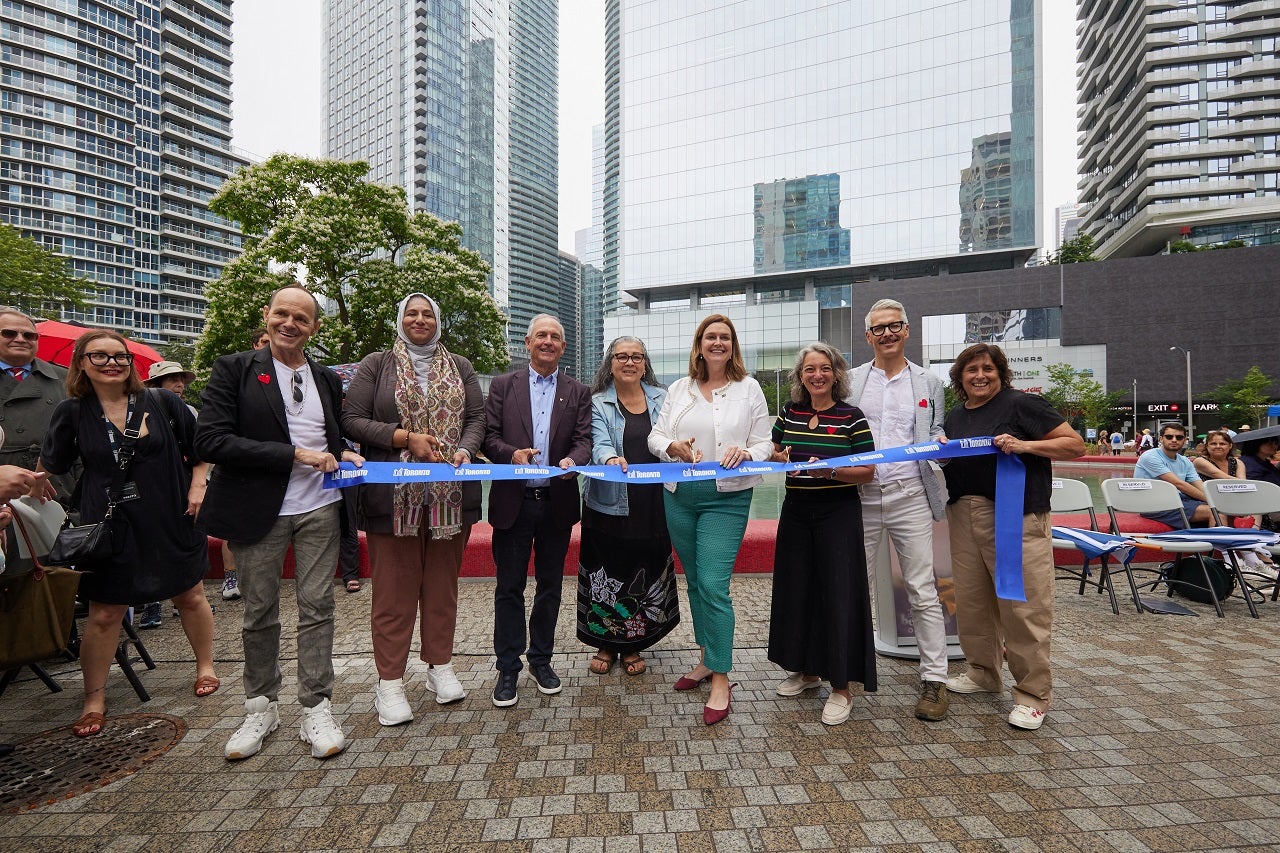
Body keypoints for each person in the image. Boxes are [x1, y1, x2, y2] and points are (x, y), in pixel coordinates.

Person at [196, 284, 363, 761]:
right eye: (282, 314)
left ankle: (316, 704)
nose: (290, 324)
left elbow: (333, 432)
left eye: (302, 318)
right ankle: (261, 705)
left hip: (319, 509)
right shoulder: (235, 369)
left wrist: (344, 449)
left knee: (317, 606)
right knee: (259, 612)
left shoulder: (327, 378)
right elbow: (209, 440)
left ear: (314, 327)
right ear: (267, 316)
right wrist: (293, 455)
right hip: (257, 510)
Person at [34, 330, 217, 737]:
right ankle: (94, 699)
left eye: (119, 356)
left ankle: (205, 665)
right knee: (104, 613)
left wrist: (198, 484)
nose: (112, 363)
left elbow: (201, 449)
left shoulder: (163, 401)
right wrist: (34, 484)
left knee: (189, 594)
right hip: (111, 523)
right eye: (99, 357)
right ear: (81, 362)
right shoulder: (72, 411)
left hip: (171, 513)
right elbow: (53, 463)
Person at [342, 293, 485, 723]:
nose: (420, 319)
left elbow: (476, 418)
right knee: (394, 594)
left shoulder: (460, 365)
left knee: (442, 589)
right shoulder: (377, 364)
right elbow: (351, 418)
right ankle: (389, 683)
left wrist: (464, 449)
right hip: (393, 499)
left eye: (428, 313)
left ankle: (439, 666)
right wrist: (405, 438)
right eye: (412, 313)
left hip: (450, 499)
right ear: (400, 319)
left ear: (437, 321)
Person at [941, 343, 1084, 731]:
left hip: (1015, 515)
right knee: (971, 602)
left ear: (1001, 372)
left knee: (1023, 605)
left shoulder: (1022, 405)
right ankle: (983, 673)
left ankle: (1033, 694)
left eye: (987, 368)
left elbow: (1074, 444)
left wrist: (1025, 445)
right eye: (971, 370)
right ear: (960, 378)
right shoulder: (955, 417)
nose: (979, 376)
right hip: (963, 513)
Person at [648, 314, 773, 725]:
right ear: (699, 344)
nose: (717, 343)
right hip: (679, 497)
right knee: (697, 583)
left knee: (715, 585)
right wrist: (674, 447)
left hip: (727, 499)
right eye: (710, 337)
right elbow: (656, 435)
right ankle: (705, 658)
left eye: (724, 337)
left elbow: (765, 442)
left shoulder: (749, 387)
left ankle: (722, 676)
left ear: (732, 345)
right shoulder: (680, 389)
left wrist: (747, 452)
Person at [845, 299, 951, 721]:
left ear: (907, 330)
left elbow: (937, 430)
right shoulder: (850, 381)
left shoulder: (929, 382)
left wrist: (941, 445)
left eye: (895, 326)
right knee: (855, 586)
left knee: (923, 588)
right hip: (860, 495)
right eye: (878, 329)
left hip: (911, 495)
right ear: (867, 336)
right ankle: (845, 672)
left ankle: (935, 680)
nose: (887, 334)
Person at [483, 314, 591, 708]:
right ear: (527, 342)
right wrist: (510, 454)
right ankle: (507, 667)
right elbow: (489, 437)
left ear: (563, 347)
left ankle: (541, 660)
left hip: (556, 503)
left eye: (556, 337)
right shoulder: (502, 386)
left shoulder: (578, 391)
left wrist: (572, 460)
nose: (548, 341)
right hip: (514, 503)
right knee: (509, 588)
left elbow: (584, 440)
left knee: (550, 588)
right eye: (541, 335)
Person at [769, 342, 877, 726]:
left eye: (824, 368)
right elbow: (776, 451)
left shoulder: (852, 416)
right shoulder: (790, 412)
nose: (817, 375)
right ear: (800, 376)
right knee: (798, 589)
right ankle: (806, 671)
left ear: (836, 373)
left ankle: (842, 687)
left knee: (838, 593)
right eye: (809, 369)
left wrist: (829, 471)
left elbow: (867, 472)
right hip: (797, 511)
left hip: (838, 514)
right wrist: (777, 457)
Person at [578, 336, 676, 677]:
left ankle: (633, 643)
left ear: (645, 363)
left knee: (642, 569)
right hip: (608, 500)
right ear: (611, 363)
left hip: (653, 502)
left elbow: (672, 436)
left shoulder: (663, 398)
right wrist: (609, 458)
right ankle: (606, 642)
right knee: (608, 570)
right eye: (622, 356)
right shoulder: (596, 402)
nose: (630, 362)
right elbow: (598, 441)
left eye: (636, 356)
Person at [136, 360, 200, 630]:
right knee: (147, 542)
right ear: (155, 384)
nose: (179, 384)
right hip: (145, 484)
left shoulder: (190, 410)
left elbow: (198, 450)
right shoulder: (140, 407)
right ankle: (152, 602)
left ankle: (184, 598)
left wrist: (198, 483)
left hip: (181, 481)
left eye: (181, 379)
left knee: (181, 541)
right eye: (172, 378)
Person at [219, 327, 271, 603]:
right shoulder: (233, 371)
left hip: (281, 479)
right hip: (242, 473)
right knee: (233, 534)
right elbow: (213, 438)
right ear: (253, 344)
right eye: (264, 342)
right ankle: (230, 576)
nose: (268, 346)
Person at [1193, 430, 1273, 571]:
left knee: (1254, 508)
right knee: (1222, 510)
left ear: (1230, 446)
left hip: (1233, 499)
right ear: (1207, 446)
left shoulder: (1237, 462)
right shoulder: (1200, 461)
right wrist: (1249, 486)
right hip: (1208, 500)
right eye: (1213, 443)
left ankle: (1251, 551)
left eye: (1222, 443)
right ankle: (1230, 558)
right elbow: (1221, 477)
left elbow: (1243, 485)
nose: (1218, 446)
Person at [1133, 423, 1213, 528]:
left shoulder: (1185, 461)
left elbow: (1200, 485)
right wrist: (1211, 501)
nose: (1174, 440)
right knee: (1213, 511)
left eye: (1179, 437)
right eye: (1169, 437)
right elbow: (1178, 484)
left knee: (1224, 510)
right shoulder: (1150, 456)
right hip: (1154, 505)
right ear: (1161, 439)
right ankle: (1219, 543)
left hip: (1179, 500)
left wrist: (1213, 499)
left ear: (1185, 440)